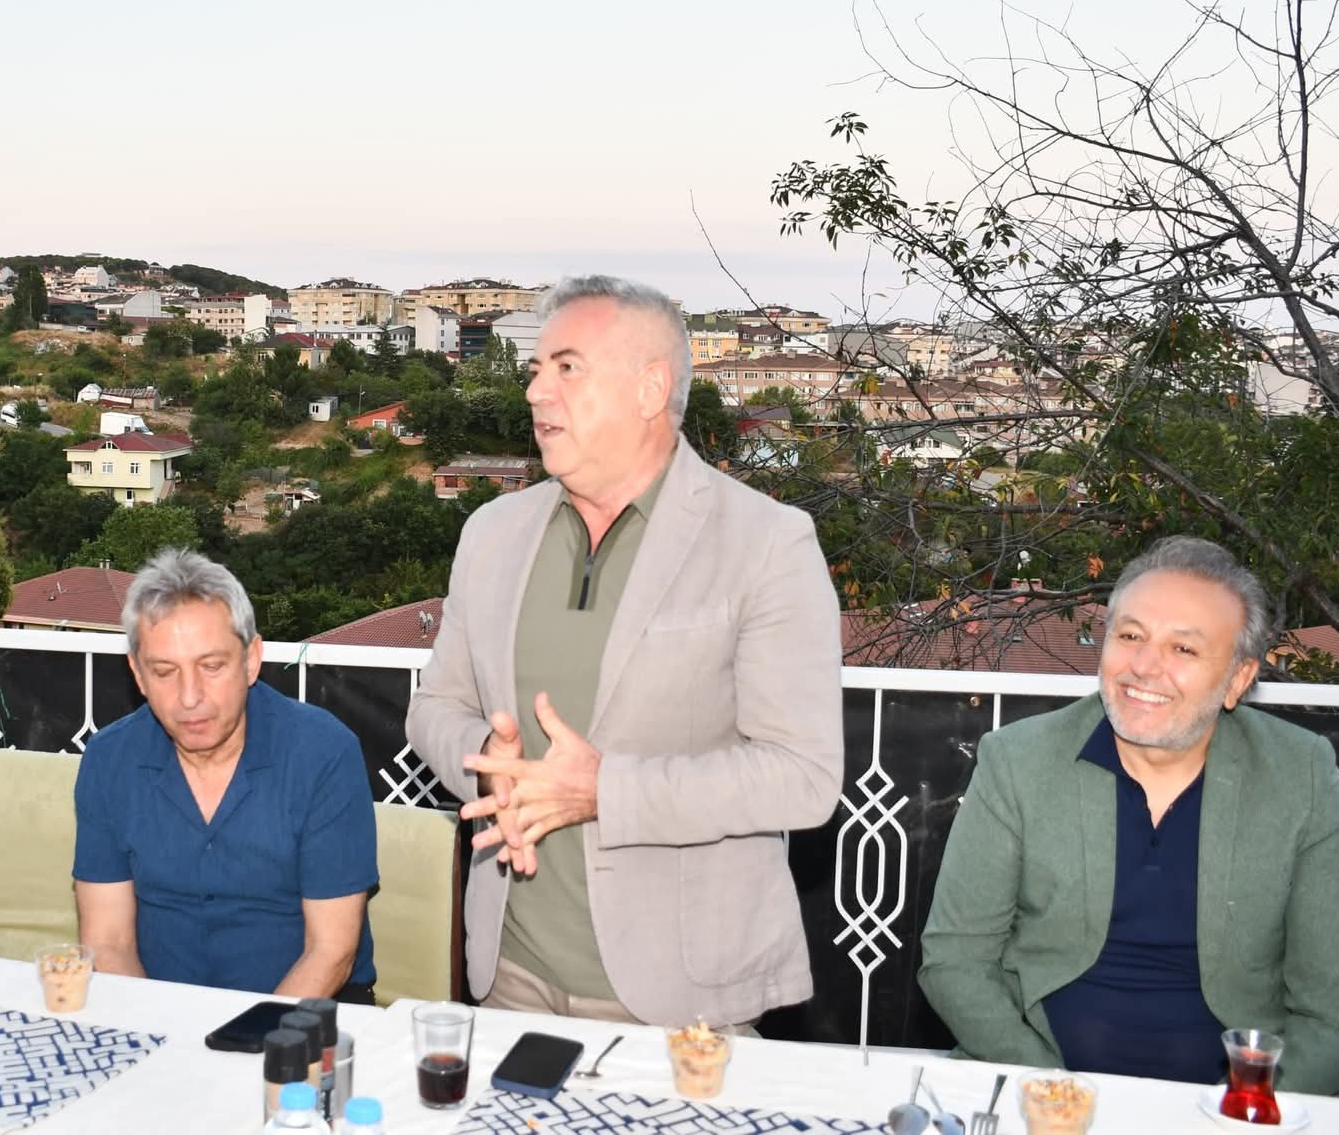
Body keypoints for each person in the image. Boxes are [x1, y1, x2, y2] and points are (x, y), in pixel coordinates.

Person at [404, 274, 843, 1029]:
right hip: (510, 976)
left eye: (567, 368)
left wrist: (606, 790)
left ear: (650, 389)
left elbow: (803, 777)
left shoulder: (767, 543)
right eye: (536, 369)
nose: (536, 392)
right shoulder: (492, 534)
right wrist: (486, 762)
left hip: (680, 998)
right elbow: (434, 707)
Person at [919, 536, 1339, 1094]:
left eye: (1183, 649)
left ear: (1238, 680)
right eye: (1130, 636)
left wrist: (1243, 1108)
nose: (1143, 667)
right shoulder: (1019, 761)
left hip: (1232, 1110)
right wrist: (1051, 1093)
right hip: (1039, 1089)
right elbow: (956, 960)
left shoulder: (1298, 775)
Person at [72, 547, 378, 1001]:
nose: (189, 696)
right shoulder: (108, 760)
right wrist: (161, 1035)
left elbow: (331, 953)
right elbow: (108, 942)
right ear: (138, 674)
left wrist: (250, 1039)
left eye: (211, 666)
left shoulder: (323, 754)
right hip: (160, 1011)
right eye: (164, 672)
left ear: (251, 659)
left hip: (307, 1013)